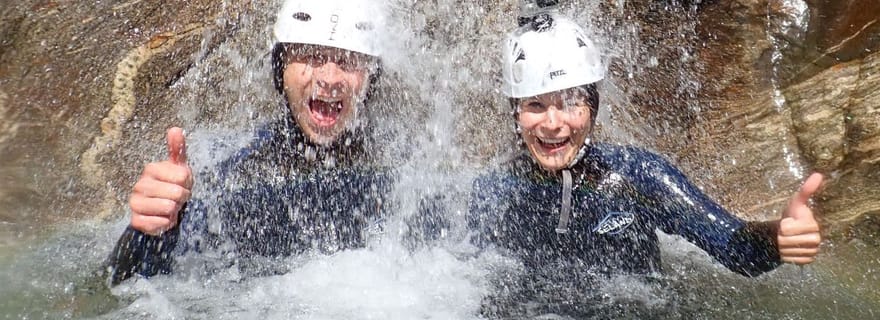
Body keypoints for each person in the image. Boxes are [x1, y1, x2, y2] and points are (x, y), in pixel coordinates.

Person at [467, 10, 822, 278]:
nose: (553, 123)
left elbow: (737, 249)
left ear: (593, 109)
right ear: (516, 114)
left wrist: (778, 237)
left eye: (571, 103)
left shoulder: (639, 177)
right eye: (535, 105)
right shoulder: (495, 192)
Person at [106, 0, 394, 285]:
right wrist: (148, 232)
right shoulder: (230, 172)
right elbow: (119, 291)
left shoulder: (405, 179)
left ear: (371, 76)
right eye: (311, 55)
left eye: (348, 59)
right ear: (281, 69)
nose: (330, 78)